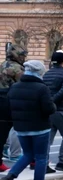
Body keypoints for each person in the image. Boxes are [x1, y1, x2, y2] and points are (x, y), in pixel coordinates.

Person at [0, 60, 56, 180]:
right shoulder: (42, 88)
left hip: (21, 128)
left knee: (27, 154)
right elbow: (49, 109)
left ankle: (8, 178)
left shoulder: (15, 87)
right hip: (40, 128)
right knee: (41, 157)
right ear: (39, 73)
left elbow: (9, 107)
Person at [43, 50, 63, 173]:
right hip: (61, 109)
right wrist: (52, 101)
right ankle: (62, 162)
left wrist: (48, 103)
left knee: (48, 138)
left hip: (48, 111)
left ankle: (44, 163)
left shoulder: (46, 74)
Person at [0, 43, 28, 172]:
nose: (24, 58)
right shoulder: (17, 68)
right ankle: (29, 157)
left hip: (2, 100)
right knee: (21, 129)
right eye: (22, 55)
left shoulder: (2, 65)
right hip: (11, 101)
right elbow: (24, 85)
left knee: (2, 132)